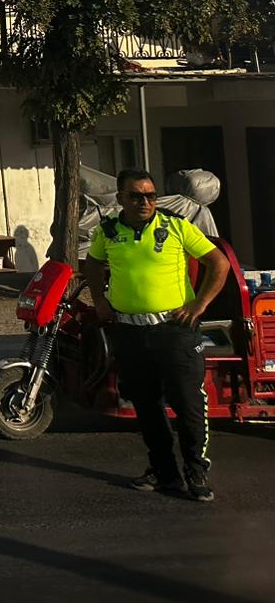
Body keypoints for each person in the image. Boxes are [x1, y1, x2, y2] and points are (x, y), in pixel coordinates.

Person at [81, 169, 229, 503]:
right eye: (136, 196)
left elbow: (218, 263)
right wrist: (100, 301)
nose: (145, 202)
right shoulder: (108, 231)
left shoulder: (176, 227)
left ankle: (195, 471)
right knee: (146, 405)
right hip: (130, 331)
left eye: (150, 195)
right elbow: (91, 264)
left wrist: (199, 304)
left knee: (187, 403)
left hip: (174, 331)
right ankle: (165, 472)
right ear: (120, 199)